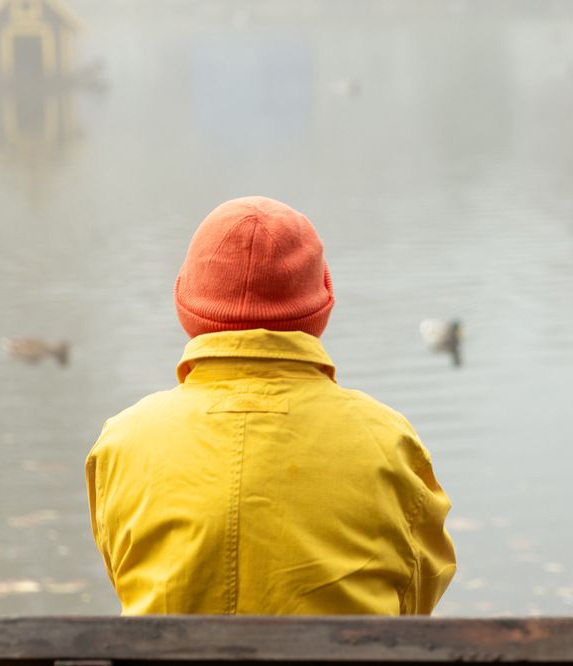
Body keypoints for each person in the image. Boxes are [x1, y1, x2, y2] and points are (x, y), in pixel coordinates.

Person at [85, 196, 456, 615]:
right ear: (320, 307)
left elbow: (128, 575)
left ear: (186, 304)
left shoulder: (124, 440)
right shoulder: (387, 439)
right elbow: (415, 598)